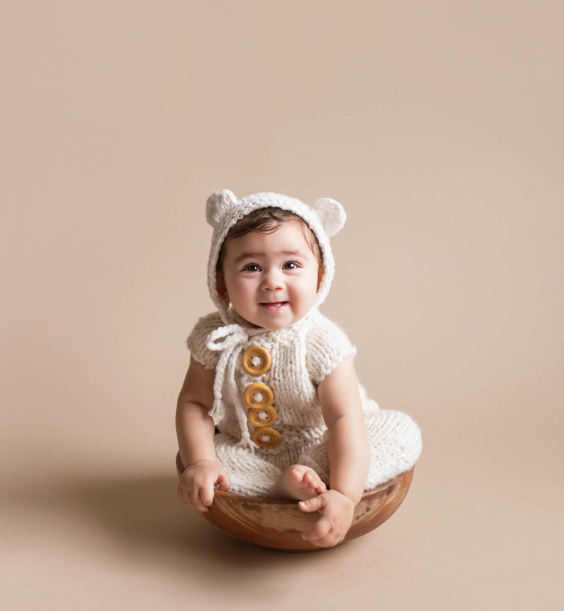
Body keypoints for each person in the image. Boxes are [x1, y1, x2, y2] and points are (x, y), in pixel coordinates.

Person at [176, 190, 422, 548]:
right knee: (214, 462)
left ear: (319, 276)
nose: (272, 281)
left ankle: (314, 484)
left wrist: (346, 495)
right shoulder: (213, 337)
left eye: (290, 265)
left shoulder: (321, 341)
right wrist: (200, 462)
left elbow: (344, 420)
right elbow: (194, 405)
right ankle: (281, 487)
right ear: (221, 282)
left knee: (399, 430)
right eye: (252, 267)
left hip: (327, 445)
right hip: (250, 454)